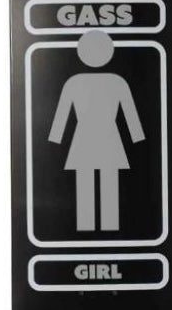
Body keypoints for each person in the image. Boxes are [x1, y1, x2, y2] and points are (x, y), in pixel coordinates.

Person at [49, 30, 145, 231]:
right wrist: (137, 138)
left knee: (92, 183)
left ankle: (92, 226)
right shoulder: (116, 82)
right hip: (104, 139)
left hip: (88, 139)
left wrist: (56, 139)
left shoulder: (75, 82)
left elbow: (61, 117)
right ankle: (103, 225)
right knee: (104, 183)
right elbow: (131, 116)